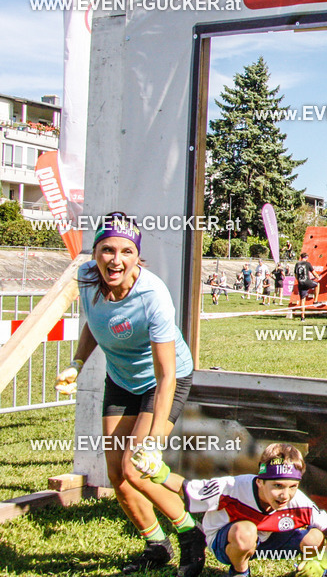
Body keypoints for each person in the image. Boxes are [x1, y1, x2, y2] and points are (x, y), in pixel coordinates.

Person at [54, 212, 205, 576]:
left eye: (125, 251)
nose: (115, 260)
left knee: (137, 468)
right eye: (107, 250)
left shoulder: (153, 296)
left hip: (163, 380)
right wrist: (76, 363)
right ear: (95, 253)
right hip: (121, 380)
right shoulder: (87, 280)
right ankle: (156, 543)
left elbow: (167, 373)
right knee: (115, 475)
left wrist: (153, 442)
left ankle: (190, 534)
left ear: (138, 256)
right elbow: (95, 322)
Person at [137, 443, 327, 577]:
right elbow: (187, 488)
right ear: (260, 482)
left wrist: (325, 560)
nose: (285, 495)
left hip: (266, 540)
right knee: (246, 531)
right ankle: (239, 572)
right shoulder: (232, 487)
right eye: (277, 486)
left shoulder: (297, 501)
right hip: (228, 541)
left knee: (315, 536)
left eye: (292, 486)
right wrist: (159, 472)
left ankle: (306, 574)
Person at [294, 253, 320, 321]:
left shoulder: (297, 264)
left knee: (302, 300)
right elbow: (313, 272)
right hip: (307, 281)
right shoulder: (307, 264)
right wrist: (318, 277)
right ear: (306, 257)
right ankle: (315, 300)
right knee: (317, 285)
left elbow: (296, 275)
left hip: (300, 283)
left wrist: (299, 281)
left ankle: (302, 317)